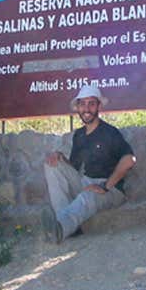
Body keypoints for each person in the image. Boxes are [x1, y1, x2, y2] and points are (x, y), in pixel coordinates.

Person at [41, 85, 136, 243]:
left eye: (91, 104)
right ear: (77, 108)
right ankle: (66, 226)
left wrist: (105, 186)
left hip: (110, 190)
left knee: (87, 196)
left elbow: (130, 160)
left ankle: (61, 227)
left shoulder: (110, 132)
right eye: (82, 104)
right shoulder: (79, 135)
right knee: (52, 164)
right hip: (85, 182)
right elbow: (75, 169)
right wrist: (61, 158)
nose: (87, 109)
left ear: (99, 106)